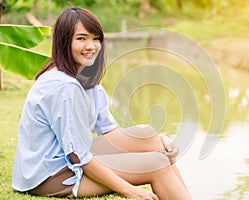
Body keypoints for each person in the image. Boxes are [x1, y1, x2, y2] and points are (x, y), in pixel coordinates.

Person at [12, 7, 192, 200]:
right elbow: (78, 157)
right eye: (81, 38)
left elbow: (108, 130)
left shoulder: (85, 77)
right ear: (64, 42)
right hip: (50, 175)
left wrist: (159, 139)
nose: (91, 46)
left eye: (96, 38)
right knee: (157, 164)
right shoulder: (64, 87)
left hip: (68, 158)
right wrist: (129, 189)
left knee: (150, 137)